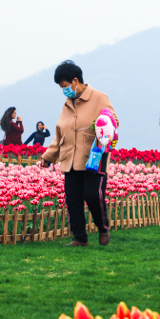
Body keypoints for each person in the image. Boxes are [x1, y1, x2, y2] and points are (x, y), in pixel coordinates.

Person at [40, 60, 118, 247]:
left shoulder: (99, 97)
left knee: (93, 195)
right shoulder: (67, 104)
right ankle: (79, 238)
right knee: (72, 199)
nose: (64, 90)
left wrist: (102, 127)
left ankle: (102, 226)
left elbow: (113, 121)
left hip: (94, 158)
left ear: (76, 81)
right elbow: (60, 134)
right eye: (61, 87)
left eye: (65, 86)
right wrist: (48, 157)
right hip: (70, 160)